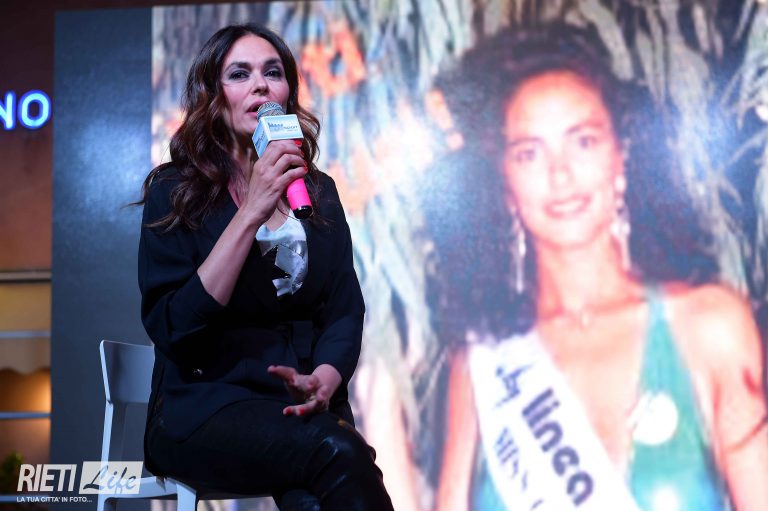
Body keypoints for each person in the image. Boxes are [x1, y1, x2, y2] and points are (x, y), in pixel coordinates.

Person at [430, 25, 768, 511]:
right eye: (529, 153)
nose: (560, 174)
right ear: (503, 182)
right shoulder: (484, 360)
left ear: (620, 154)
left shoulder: (711, 326)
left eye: (583, 141)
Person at [136, 23, 394, 511]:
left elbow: (342, 308)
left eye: (272, 73)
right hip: (205, 405)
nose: (260, 85)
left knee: (317, 493)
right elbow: (174, 327)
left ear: (287, 95)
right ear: (213, 96)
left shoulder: (317, 192)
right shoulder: (174, 191)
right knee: (336, 451)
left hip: (298, 407)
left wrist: (326, 377)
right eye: (240, 74)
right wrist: (252, 210)